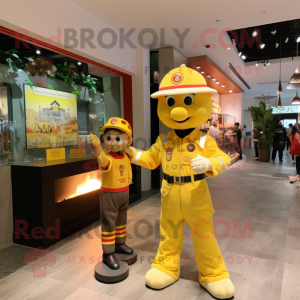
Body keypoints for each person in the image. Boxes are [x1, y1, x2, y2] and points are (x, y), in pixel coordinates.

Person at [126, 64, 235, 299]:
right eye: (170, 102)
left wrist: (209, 165)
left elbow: (223, 158)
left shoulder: (206, 140)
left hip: (196, 194)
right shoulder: (164, 139)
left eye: (186, 101)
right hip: (169, 195)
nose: (176, 111)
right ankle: (166, 266)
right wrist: (131, 152)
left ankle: (214, 273)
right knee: (169, 234)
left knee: (204, 235)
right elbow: (150, 159)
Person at [90, 117, 134, 270]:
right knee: (109, 223)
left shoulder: (126, 157)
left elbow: (128, 173)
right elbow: (103, 161)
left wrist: (128, 182)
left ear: (128, 141)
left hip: (124, 193)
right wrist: (98, 148)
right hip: (109, 195)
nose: (113, 142)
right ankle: (107, 253)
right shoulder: (108, 157)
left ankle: (120, 244)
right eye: (109, 138)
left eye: (118, 138)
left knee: (121, 221)